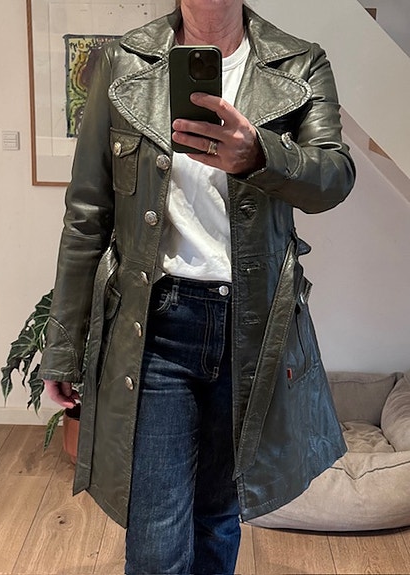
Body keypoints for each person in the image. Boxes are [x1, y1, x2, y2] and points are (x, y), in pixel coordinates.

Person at [39, 1, 356, 573]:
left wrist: (260, 155)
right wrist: (64, 345)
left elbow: (333, 178)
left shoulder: (299, 63)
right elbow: (87, 214)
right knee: (157, 537)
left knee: (217, 518)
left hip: (251, 331)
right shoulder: (124, 60)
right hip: (155, 327)